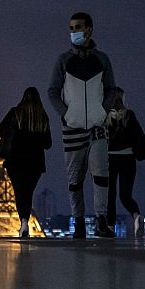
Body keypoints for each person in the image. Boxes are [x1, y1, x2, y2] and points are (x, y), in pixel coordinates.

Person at [47, 12, 117, 238]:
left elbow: (112, 89)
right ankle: (78, 221)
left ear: (89, 30)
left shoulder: (102, 59)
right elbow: (52, 91)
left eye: (78, 27)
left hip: (97, 127)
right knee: (75, 178)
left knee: (101, 175)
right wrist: (67, 115)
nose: (73, 31)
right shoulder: (63, 60)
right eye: (71, 27)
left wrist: (102, 111)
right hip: (73, 127)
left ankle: (101, 220)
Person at [0, 87, 52, 238]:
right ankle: (25, 221)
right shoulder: (43, 117)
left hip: (15, 161)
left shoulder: (15, 113)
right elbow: (48, 144)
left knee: (19, 193)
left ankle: (24, 222)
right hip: (35, 163)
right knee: (28, 193)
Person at [105, 88, 145, 238]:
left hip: (110, 159)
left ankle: (110, 227)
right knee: (125, 195)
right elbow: (139, 137)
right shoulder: (129, 115)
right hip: (128, 159)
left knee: (109, 195)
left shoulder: (105, 116)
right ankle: (136, 215)